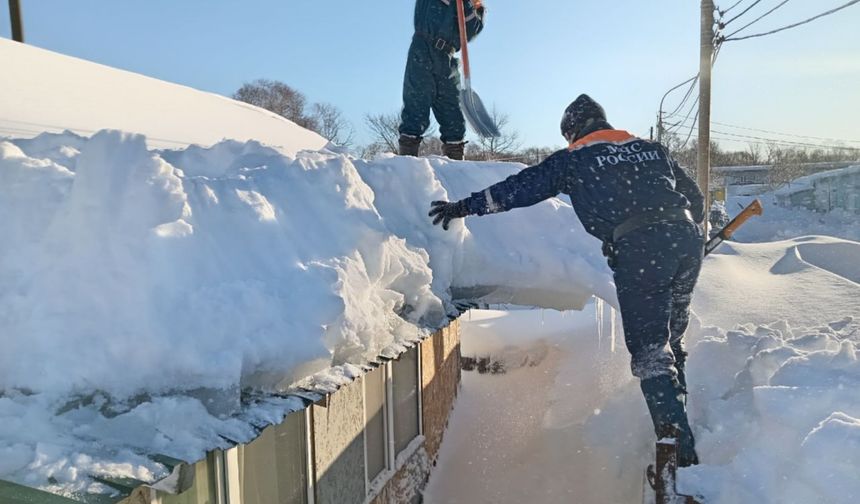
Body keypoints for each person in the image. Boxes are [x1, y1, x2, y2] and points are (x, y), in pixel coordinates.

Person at [428, 94, 705, 467]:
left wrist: (463, 207)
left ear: (571, 132)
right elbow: (696, 200)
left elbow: (518, 189)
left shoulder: (574, 158)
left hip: (641, 249)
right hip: (685, 239)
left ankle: (678, 455)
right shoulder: (652, 149)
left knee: (650, 351)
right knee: (672, 334)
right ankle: (682, 414)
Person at [398, 0, 486, 160]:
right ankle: (406, 165)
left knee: (453, 114)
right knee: (416, 105)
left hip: (448, 58)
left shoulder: (476, 6)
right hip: (423, 47)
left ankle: (455, 169)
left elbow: (471, 31)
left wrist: (467, 4)